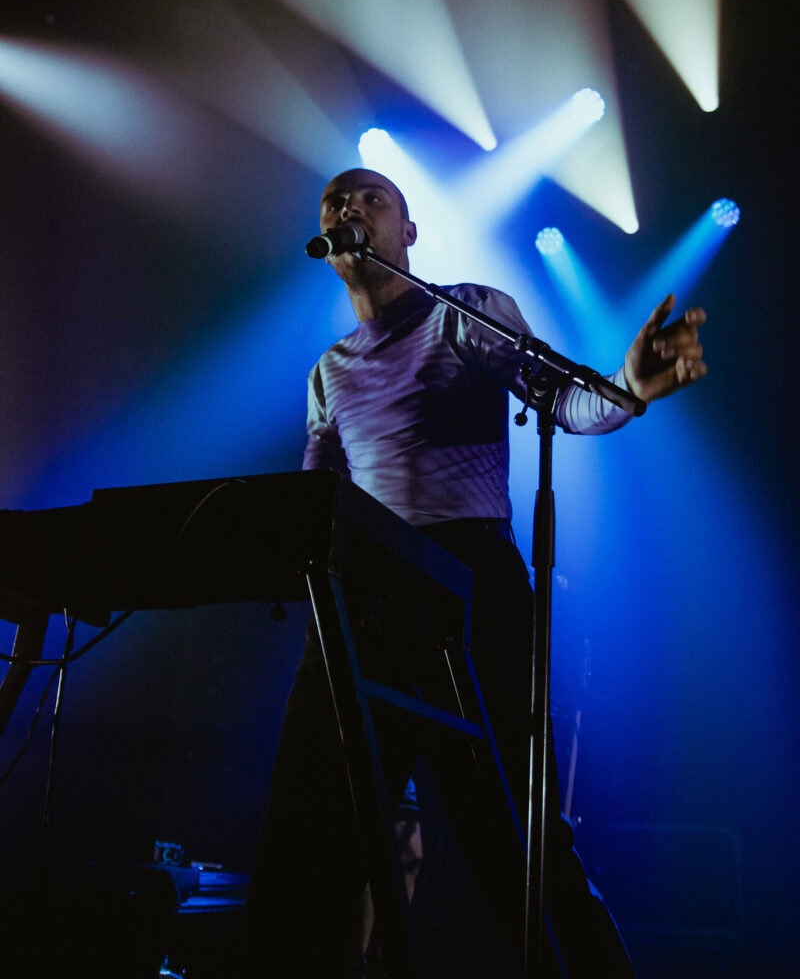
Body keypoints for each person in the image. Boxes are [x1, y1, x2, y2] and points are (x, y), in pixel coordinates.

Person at [245, 167, 707, 977]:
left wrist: (629, 387)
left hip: (468, 591)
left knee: (515, 841)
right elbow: (312, 507)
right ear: (324, 242)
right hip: (362, 602)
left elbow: (563, 400)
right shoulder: (328, 372)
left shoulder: (466, 312)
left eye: (372, 199)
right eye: (335, 202)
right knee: (307, 837)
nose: (350, 207)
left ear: (408, 233)